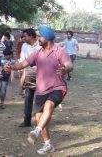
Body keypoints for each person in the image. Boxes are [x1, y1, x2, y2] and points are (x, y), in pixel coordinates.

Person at [7, 26, 73, 155]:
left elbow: (69, 64)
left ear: (47, 37)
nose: (38, 38)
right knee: (39, 118)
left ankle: (36, 131)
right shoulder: (38, 52)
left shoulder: (60, 51)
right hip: (41, 90)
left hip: (57, 87)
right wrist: (12, 67)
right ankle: (47, 144)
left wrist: (65, 69)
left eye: (40, 36)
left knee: (49, 105)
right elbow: (23, 63)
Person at [18, 28, 41, 127]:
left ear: (31, 36)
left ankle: (40, 120)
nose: (23, 38)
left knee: (41, 97)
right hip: (29, 73)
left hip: (41, 73)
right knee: (28, 97)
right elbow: (22, 59)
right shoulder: (24, 46)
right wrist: (19, 68)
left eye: (25, 36)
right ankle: (27, 120)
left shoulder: (40, 45)